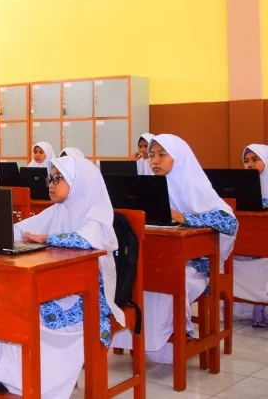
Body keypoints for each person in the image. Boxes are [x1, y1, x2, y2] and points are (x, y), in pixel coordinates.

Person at [0, 156, 123, 398]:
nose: (50, 184)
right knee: (5, 307)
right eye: (51, 178)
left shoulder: (97, 211)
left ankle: (32, 385)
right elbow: (22, 229)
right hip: (58, 284)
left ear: (79, 183)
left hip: (88, 295)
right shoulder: (58, 209)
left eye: (59, 178)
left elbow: (87, 240)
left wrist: (46, 238)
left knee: (35, 317)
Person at [111, 134, 238, 363]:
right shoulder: (150, 187)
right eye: (151, 156)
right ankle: (140, 341)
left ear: (178, 158)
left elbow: (229, 222)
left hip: (196, 264)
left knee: (164, 280)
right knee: (138, 278)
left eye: (161, 155)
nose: (154, 161)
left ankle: (170, 342)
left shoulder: (197, 186)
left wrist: (185, 217)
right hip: (159, 256)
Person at [233, 144, 268, 326]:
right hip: (249, 242)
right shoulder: (242, 189)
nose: (249, 165)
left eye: (255, 160)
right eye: (246, 161)